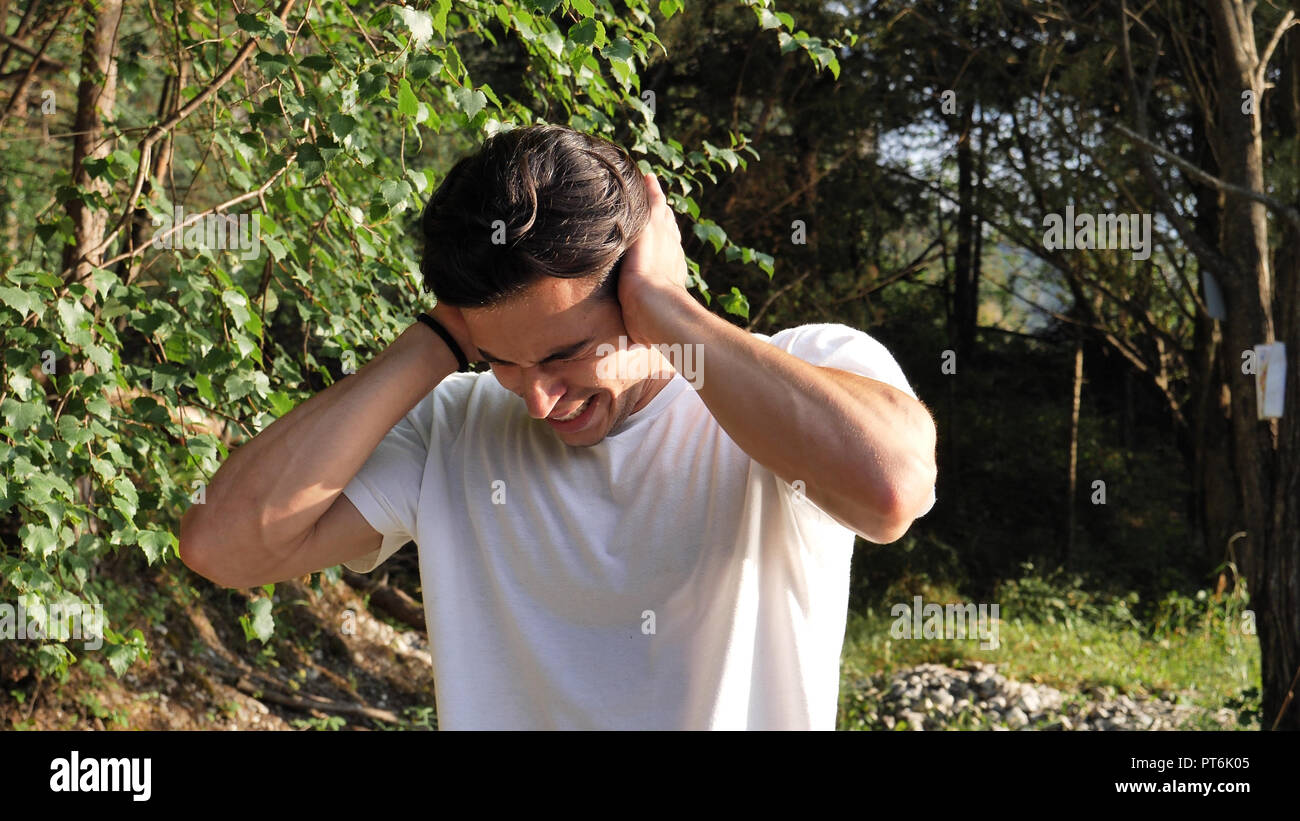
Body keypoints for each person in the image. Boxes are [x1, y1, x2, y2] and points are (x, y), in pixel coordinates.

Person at [180, 123, 938, 730]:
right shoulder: (453, 428)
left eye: (568, 354)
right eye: (504, 362)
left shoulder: (801, 373)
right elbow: (223, 544)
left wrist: (672, 312)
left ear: (642, 285)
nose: (538, 402)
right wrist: (434, 345)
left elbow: (892, 489)